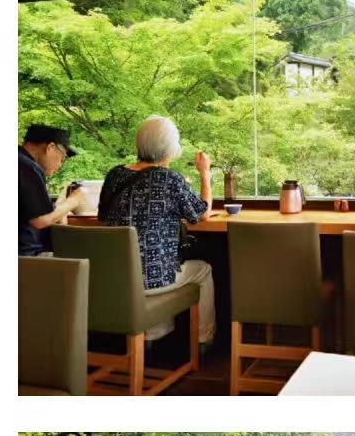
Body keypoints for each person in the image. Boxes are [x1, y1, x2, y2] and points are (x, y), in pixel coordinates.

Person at [96, 115, 217, 344]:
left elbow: (102, 221)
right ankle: (204, 340)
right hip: (150, 280)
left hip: (113, 279)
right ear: (170, 148)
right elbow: (202, 213)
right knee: (203, 270)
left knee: (157, 265)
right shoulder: (168, 179)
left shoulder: (115, 175)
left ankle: (155, 334)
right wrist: (205, 173)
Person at [19, 124, 87, 255]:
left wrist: (60, 211)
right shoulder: (28, 168)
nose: (60, 165)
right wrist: (73, 201)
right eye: (63, 158)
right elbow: (39, 220)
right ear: (50, 147)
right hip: (26, 256)